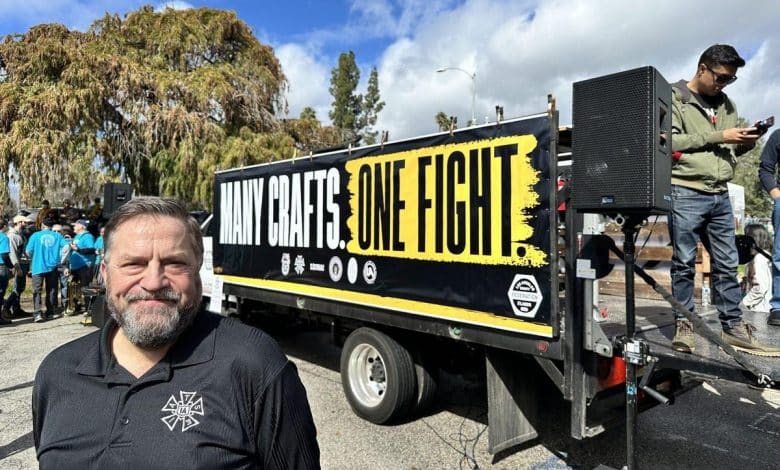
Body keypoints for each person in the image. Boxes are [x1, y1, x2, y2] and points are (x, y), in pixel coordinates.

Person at [32, 197, 320, 469]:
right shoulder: (57, 373)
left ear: (197, 273)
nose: (154, 282)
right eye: (134, 263)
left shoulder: (254, 365)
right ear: (105, 273)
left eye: (175, 263)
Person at [669, 44, 779, 354]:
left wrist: (746, 141)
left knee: (729, 264)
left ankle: (733, 327)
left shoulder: (725, 104)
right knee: (683, 264)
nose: (723, 84)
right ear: (702, 68)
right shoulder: (676, 97)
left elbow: (730, 149)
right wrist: (721, 136)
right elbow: (669, 139)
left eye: (730, 80)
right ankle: (685, 325)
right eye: (720, 77)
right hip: (685, 189)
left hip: (719, 193)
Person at [757, 128, 780, 325]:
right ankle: (779, 306)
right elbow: (765, 168)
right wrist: (777, 196)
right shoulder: (778, 135)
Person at [25, 218, 66, 322]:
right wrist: (61, 259)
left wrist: (32, 257)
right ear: (51, 226)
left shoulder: (35, 235)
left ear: (42, 225)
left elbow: (28, 251)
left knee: (37, 290)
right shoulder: (57, 236)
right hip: (52, 266)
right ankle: (50, 313)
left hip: (38, 266)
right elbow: (67, 246)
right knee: (51, 290)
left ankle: (37, 313)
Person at [64, 219, 95, 316]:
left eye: (75, 225)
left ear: (82, 226)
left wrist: (78, 249)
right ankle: (75, 307)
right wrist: (67, 266)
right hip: (74, 266)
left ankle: (88, 309)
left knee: (85, 288)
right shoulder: (77, 236)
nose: (73, 227)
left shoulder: (88, 236)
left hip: (84, 266)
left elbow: (92, 249)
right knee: (73, 288)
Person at [3, 215, 31, 319]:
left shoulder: (20, 235)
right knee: (17, 288)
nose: (27, 224)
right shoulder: (12, 236)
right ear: (19, 223)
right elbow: (12, 253)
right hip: (17, 265)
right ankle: (6, 308)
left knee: (20, 287)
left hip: (22, 264)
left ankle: (16, 308)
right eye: (25, 222)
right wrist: (17, 267)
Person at [739, 224, 772, 313]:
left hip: (761, 310)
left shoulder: (760, 259)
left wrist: (744, 303)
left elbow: (761, 287)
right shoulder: (766, 256)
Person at [0, 220, 11, 324]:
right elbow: (4, 255)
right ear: (3, 226)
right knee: (1, 291)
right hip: (1, 266)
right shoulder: (3, 237)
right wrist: (11, 266)